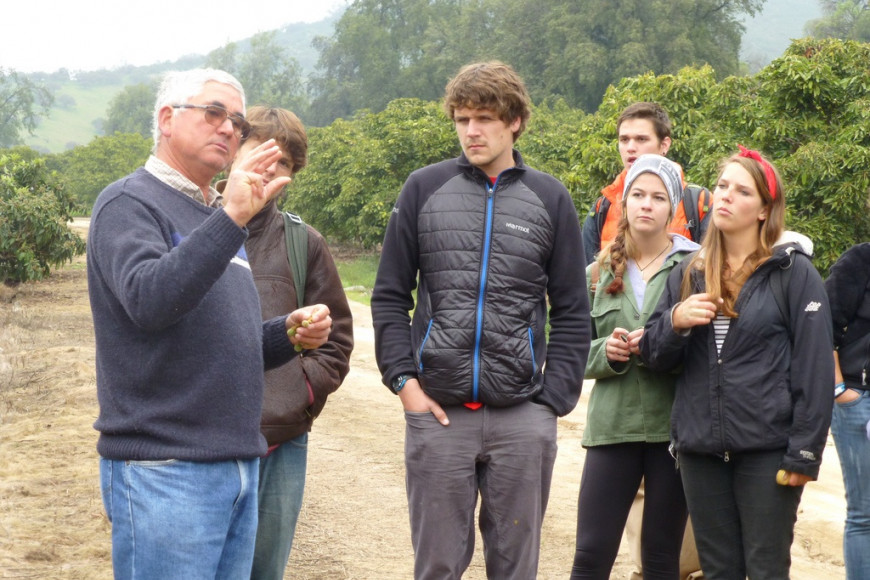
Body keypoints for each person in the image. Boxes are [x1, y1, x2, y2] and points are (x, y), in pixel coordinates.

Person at [86, 69, 333, 579]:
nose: (228, 128)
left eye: (236, 121)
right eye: (213, 112)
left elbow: (224, 344)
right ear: (167, 119)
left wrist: (287, 333)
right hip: (166, 470)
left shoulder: (212, 217)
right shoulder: (128, 202)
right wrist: (231, 219)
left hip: (236, 468)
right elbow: (150, 301)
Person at [370, 61, 590, 579]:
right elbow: (388, 296)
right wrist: (404, 383)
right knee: (438, 567)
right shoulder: (423, 188)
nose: (472, 130)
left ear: (515, 121)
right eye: (462, 118)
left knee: (516, 569)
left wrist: (551, 402)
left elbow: (574, 311)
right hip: (439, 414)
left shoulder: (550, 197)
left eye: (486, 118)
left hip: (522, 416)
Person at [640, 146, 834, 579]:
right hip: (700, 451)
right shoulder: (689, 271)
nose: (725, 196)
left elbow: (815, 371)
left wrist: (804, 454)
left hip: (767, 451)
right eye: (722, 186)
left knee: (765, 568)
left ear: (765, 209)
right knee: (718, 570)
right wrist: (675, 320)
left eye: (741, 190)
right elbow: (652, 354)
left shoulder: (794, 274)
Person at [217, 105, 354, 580]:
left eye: (286, 164)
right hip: (200, 441)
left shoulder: (303, 242)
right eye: (263, 152)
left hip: (280, 442)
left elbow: (337, 340)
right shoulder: (192, 226)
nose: (272, 169)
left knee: (263, 570)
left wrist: (300, 393)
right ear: (234, 147)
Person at [583, 101, 704, 580]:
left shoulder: (696, 267)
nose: (646, 205)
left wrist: (663, 340)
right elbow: (572, 350)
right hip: (611, 428)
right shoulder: (597, 271)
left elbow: (707, 353)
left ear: (673, 205)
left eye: (658, 197)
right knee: (591, 556)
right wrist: (605, 352)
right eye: (638, 195)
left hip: (671, 431)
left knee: (661, 561)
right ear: (624, 203)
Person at [581, 102, 711, 267]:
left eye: (641, 139)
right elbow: (586, 280)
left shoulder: (698, 203)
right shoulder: (603, 208)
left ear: (664, 145)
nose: (630, 148)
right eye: (624, 139)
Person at [825, 242, 870, 579]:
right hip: (860, 401)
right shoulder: (859, 260)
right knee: (865, 514)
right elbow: (820, 325)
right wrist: (840, 389)